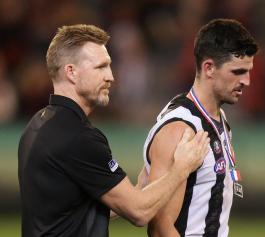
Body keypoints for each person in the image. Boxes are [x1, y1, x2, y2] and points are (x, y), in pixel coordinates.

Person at [18, 24, 210, 237]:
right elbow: (139, 212)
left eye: (109, 66)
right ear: (71, 72)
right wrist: (182, 168)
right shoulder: (79, 138)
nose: (110, 76)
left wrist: (136, 192)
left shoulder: (37, 125)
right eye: (100, 67)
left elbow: (70, 211)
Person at [143, 18, 258, 237]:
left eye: (248, 71)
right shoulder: (179, 130)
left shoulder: (218, 117)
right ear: (209, 68)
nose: (247, 81)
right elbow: (160, 229)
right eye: (238, 72)